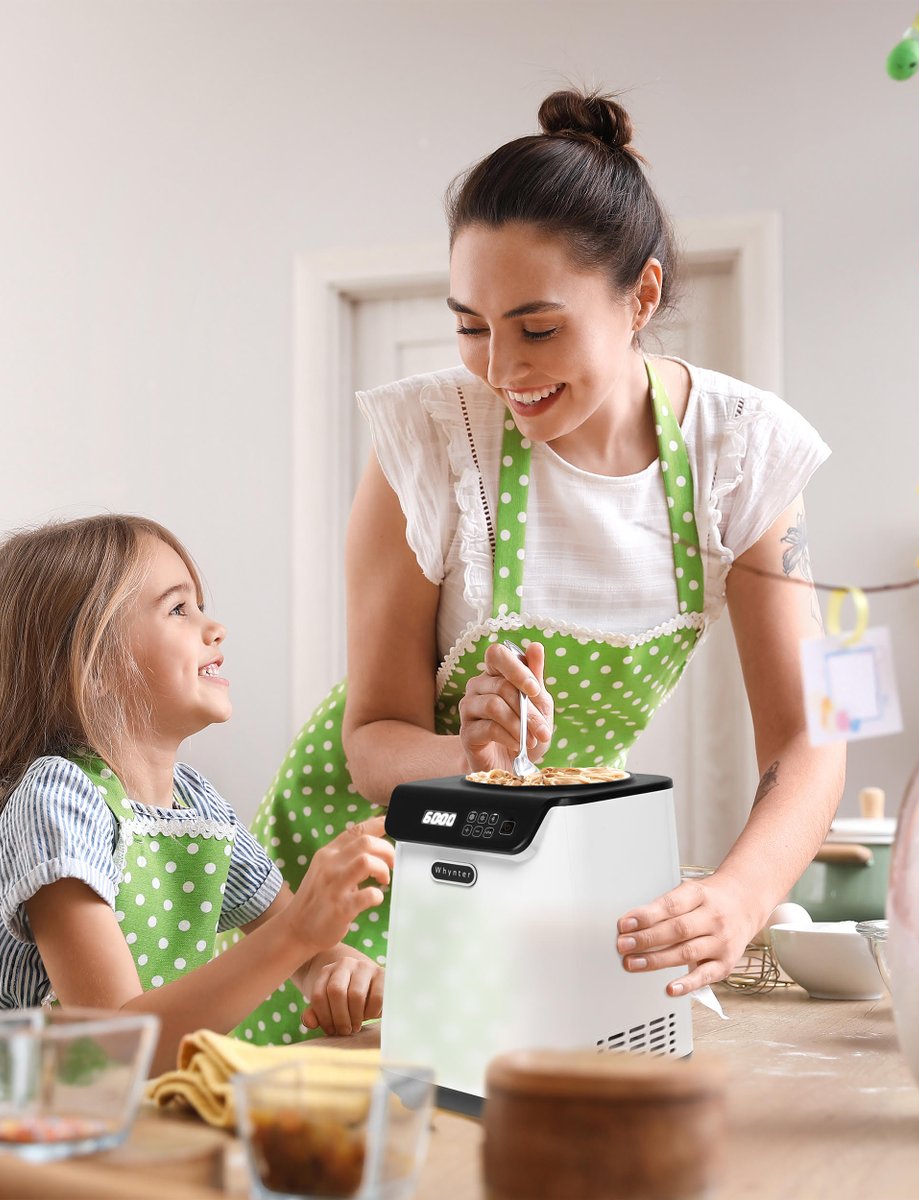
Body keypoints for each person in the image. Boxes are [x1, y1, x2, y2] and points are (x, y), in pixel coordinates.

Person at [227, 88, 845, 1044]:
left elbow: (811, 736)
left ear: (639, 297)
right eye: (471, 325)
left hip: (543, 862)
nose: (502, 368)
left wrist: (741, 896)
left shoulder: (743, 454)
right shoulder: (433, 440)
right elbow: (370, 738)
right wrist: (466, 761)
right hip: (362, 864)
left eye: (538, 327)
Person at [0, 514, 391, 1124]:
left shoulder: (198, 805)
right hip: (2, 1147)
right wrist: (300, 930)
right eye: (178, 610)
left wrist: (338, 966)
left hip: (114, 1132)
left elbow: (308, 955)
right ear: (92, 664)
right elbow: (111, 1046)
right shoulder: (57, 800)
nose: (215, 629)